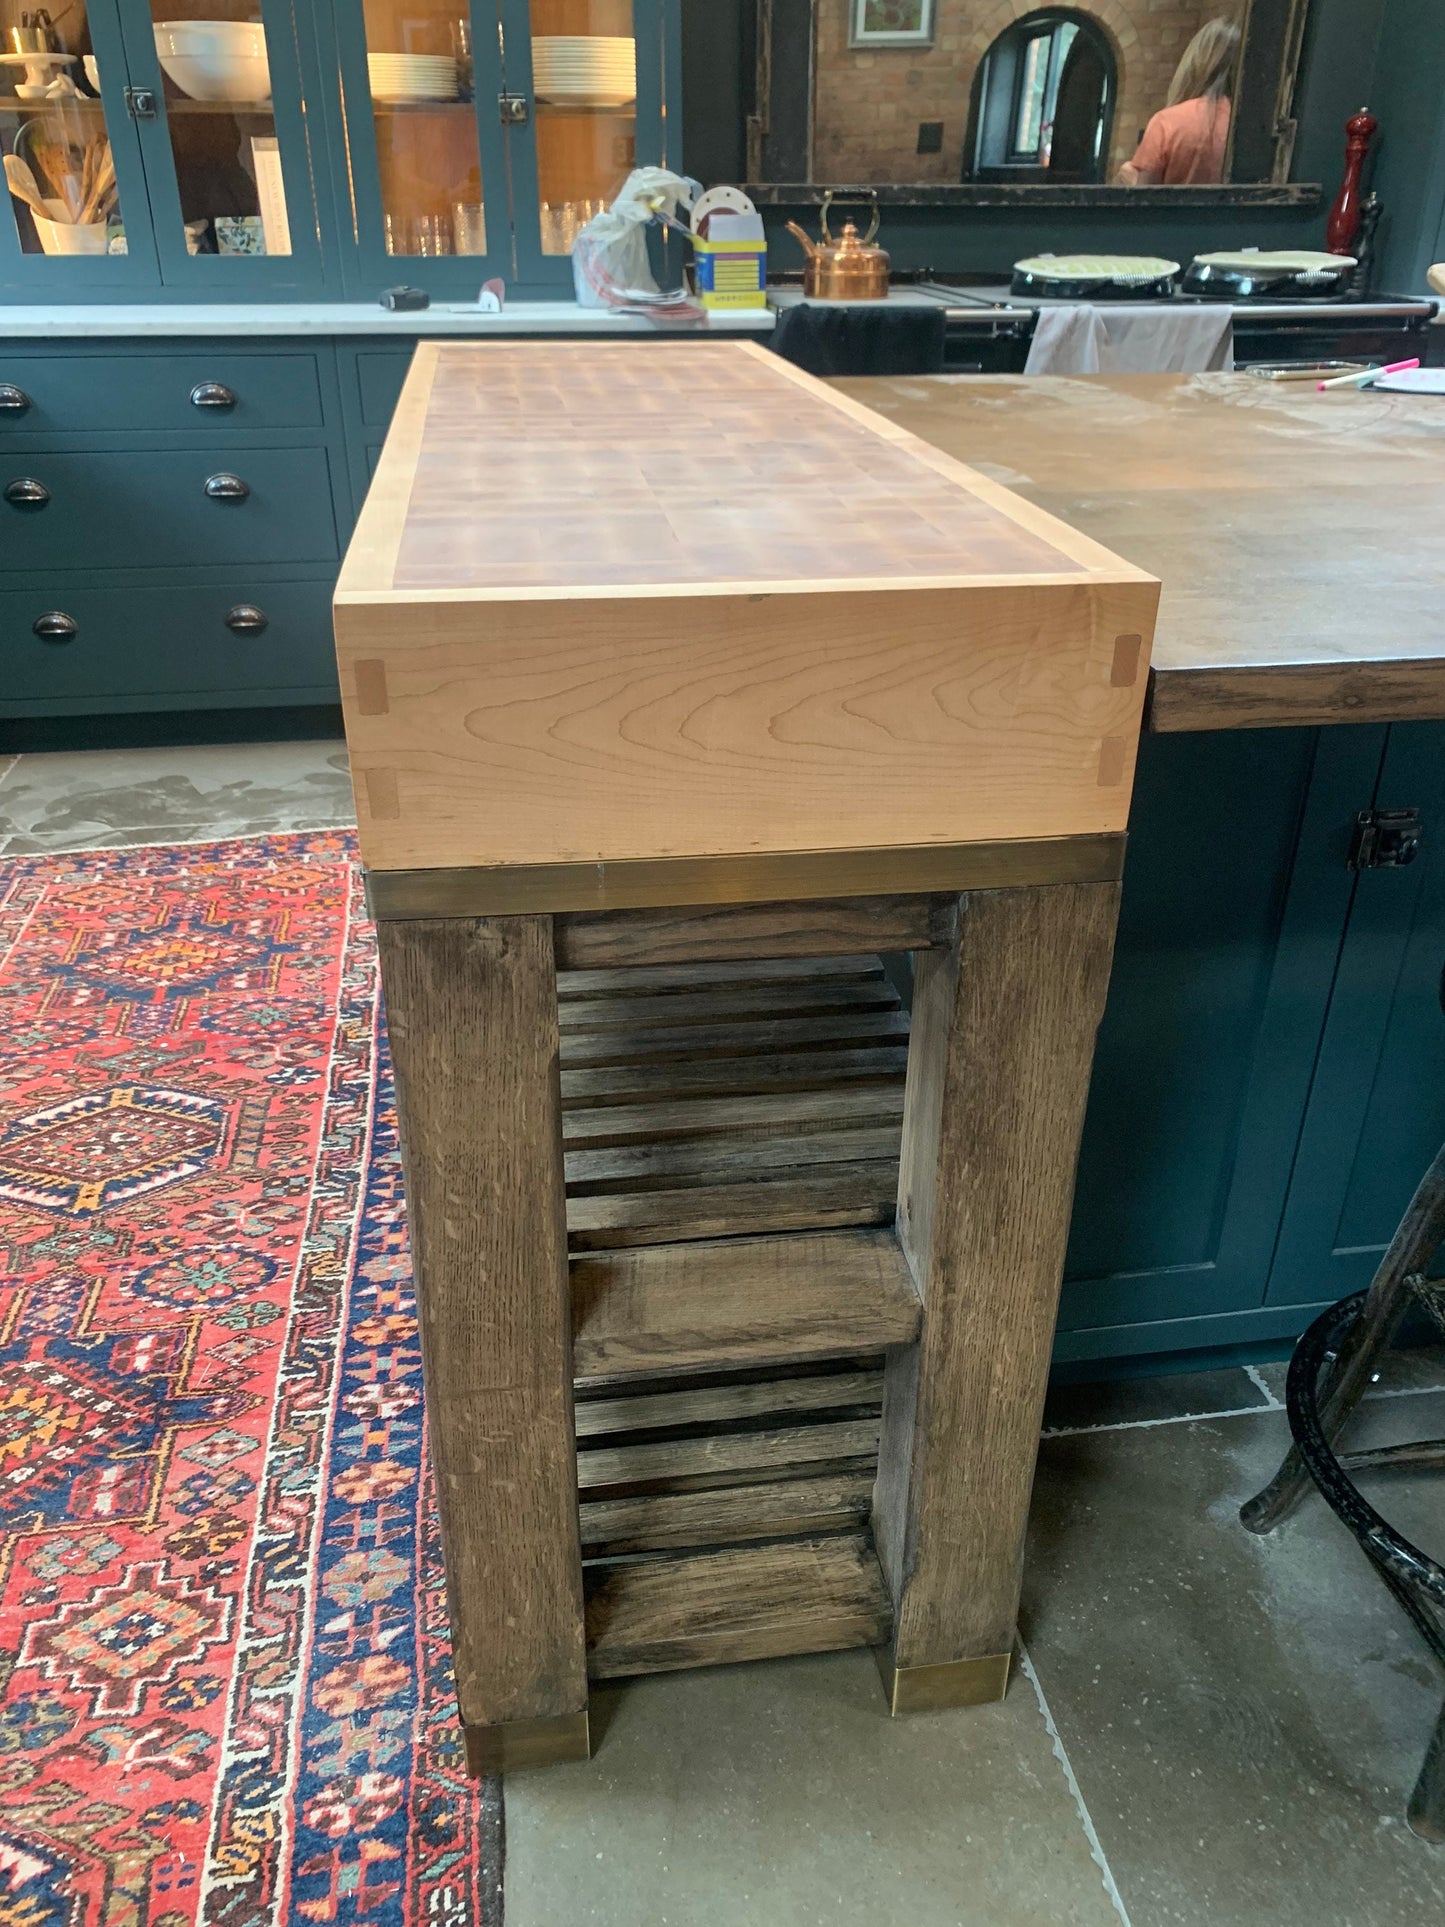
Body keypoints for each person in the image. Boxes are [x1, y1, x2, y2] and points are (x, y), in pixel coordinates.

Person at [1118, 17, 1242, 187]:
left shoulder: (1167, 123)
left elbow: (1144, 203)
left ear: (1196, 61)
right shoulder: (1252, 127)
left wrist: (1130, 178)